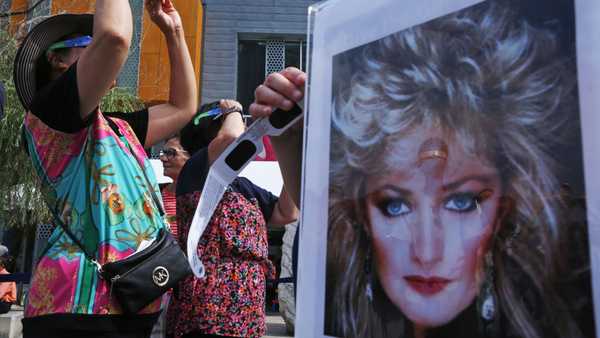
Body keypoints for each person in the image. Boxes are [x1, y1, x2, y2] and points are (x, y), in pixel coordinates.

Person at [253, 2, 593, 338]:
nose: (427, 251)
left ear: (503, 212)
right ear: (362, 216)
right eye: (395, 205)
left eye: (462, 202)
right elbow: (318, 218)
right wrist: (294, 141)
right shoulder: (343, 304)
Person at [13, 0, 197, 336]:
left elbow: (183, 107)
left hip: (130, 297)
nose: (97, 43)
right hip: (76, 305)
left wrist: (174, 32)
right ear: (55, 59)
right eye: (88, 42)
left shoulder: (115, 128)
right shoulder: (50, 111)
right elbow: (114, 37)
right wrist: (107, 38)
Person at [166, 99, 300, 338]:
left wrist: (292, 154)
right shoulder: (196, 170)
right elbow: (231, 140)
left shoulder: (243, 186)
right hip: (207, 311)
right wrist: (235, 108)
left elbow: (287, 212)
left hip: (246, 313)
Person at [159, 135, 190, 238]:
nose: (162, 158)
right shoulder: (155, 194)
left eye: (170, 153)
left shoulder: (208, 196)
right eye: (163, 153)